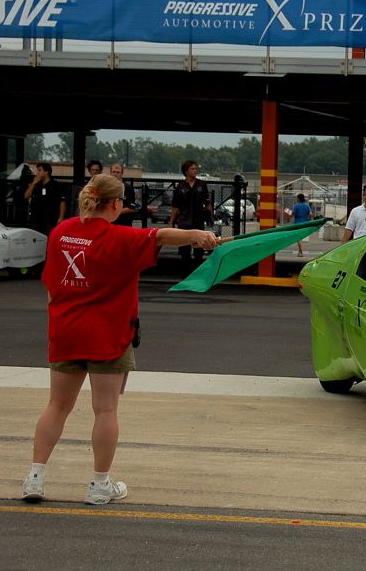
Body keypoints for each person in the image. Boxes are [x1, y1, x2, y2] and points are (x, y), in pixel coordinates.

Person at [21, 174, 221, 505]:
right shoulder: (121, 239)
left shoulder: (60, 233)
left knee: (57, 405)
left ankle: (35, 477)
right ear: (115, 204)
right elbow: (161, 235)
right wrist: (198, 236)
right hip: (108, 336)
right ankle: (100, 484)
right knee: (105, 409)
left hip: (65, 331)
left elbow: (50, 282)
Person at [168, 160, 213, 270]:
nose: (195, 171)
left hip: (198, 220)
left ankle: (197, 273)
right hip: (184, 221)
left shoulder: (202, 185)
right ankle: (185, 272)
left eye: (196, 169)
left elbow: (207, 203)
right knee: (184, 249)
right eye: (192, 169)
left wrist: (210, 217)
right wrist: (171, 222)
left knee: (198, 249)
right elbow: (175, 206)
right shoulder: (180, 187)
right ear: (186, 171)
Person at [23, 163, 67, 236]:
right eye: (37, 170)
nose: (38, 172)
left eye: (40, 170)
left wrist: (61, 217)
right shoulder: (36, 184)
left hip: (50, 218)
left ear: (47, 172)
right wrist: (33, 183)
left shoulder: (56, 185)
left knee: (49, 236)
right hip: (36, 217)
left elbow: (62, 202)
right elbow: (26, 196)